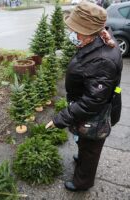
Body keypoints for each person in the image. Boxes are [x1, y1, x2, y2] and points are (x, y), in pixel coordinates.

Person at [46, 1, 122, 192]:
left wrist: (60, 119)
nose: (72, 33)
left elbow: (92, 101)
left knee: (91, 148)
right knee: (85, 142)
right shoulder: (97, 40)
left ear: (89, 32)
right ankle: (82, 157)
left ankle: (82, 182)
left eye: (75, 30)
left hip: (94, 114)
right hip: (88, 107)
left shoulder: (102, 60)